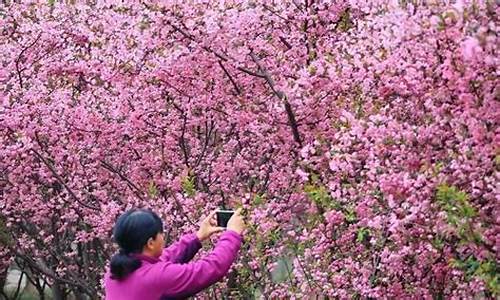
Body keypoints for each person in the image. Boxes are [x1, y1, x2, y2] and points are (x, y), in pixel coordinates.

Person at [104, 208, 246, 299]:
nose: (163, 238)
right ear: (150, 243)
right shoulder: (155, 277)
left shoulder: (116, 271)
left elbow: (165, 258)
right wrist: (232, 234)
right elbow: (210, 268)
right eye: (160, 234)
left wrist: (197, 237)